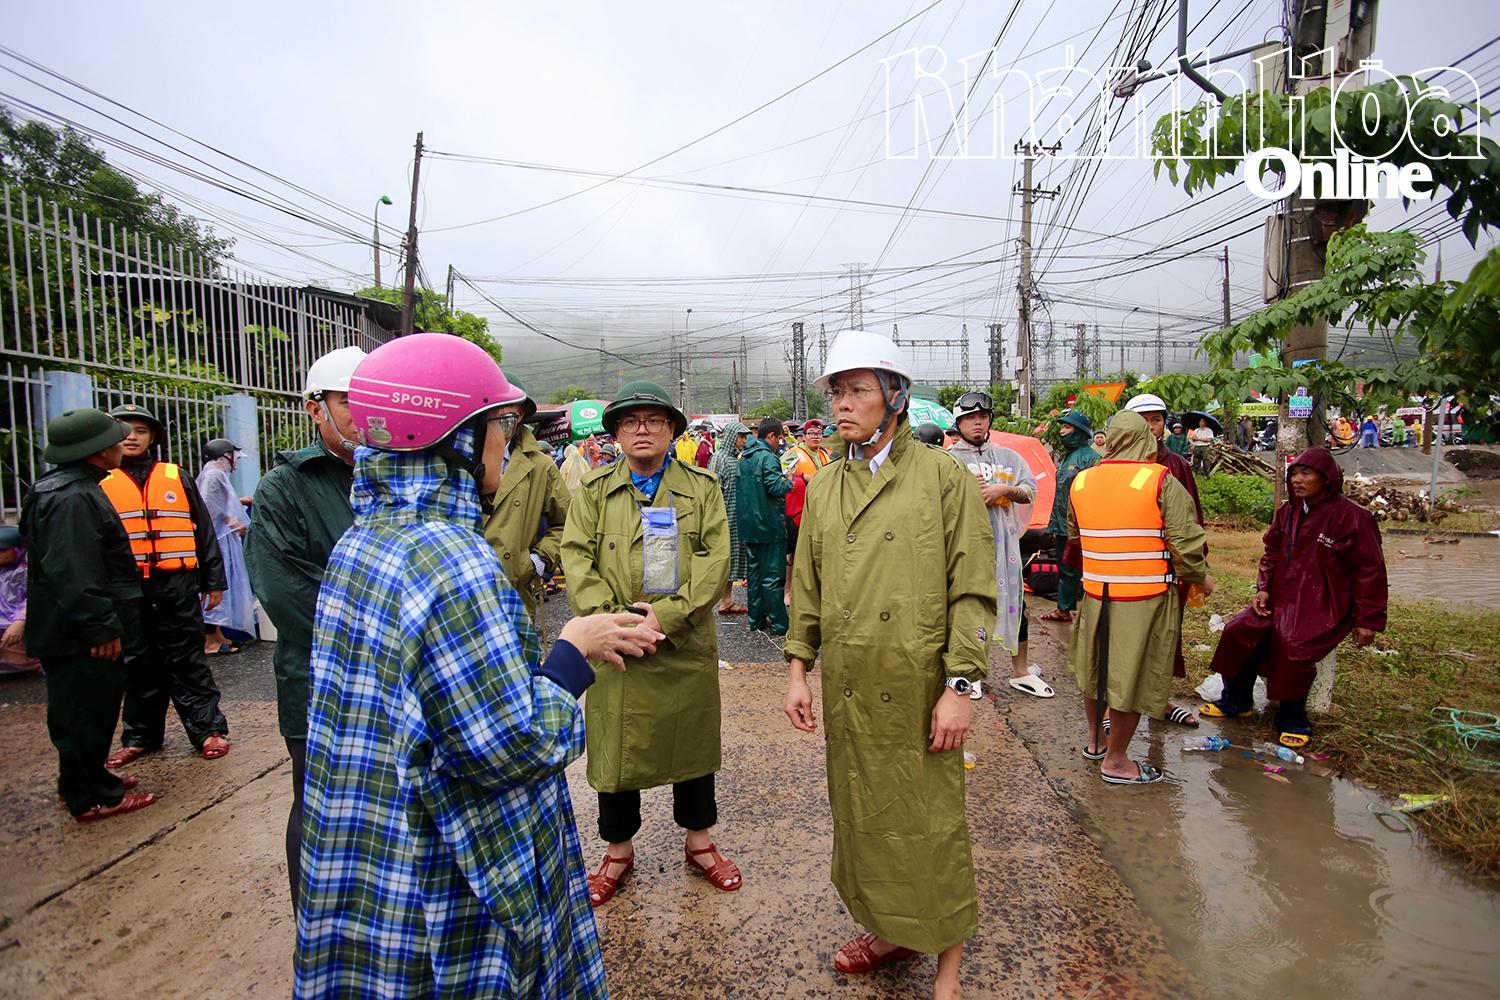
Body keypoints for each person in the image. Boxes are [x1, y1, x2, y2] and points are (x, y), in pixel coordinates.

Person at [296, 335, 660, 998]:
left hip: (384, 861)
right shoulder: (451, 560)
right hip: (452, 873)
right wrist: (572, 651)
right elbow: (516, 742)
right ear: (454, 436)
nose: (505, 441)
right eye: (499, 424)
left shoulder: (363, 540)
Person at [783, 331, 994, 1000]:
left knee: (931, 824)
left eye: (857, 391)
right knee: (865, 818)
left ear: (895, 398)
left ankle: (949, 967)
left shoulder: (944, 479)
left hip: (919, 688)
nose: (842, 405)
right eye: (836, 393)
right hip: (850, 689)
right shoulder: (825, 487)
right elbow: (807, 586)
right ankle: (888, 929)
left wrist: (961, 687)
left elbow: (974, 591)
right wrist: (797, 670)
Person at [561, 378, 737, 908]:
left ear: (672, 431)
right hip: (617, 644)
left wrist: (668, 615)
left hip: (682, 641)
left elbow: (716, 557)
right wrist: (612, 622)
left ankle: (699, 842)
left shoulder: (702, 487)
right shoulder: (594, 490)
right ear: (615, 433)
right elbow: (576, 556)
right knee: (616, 750)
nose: (642, 429)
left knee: (693, 745)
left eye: (654, 420)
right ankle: (617, 851)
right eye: (630, 421)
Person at [244, 344, 365, 910]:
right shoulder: (285, 487)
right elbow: (284, 591)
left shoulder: (400, 474)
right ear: (315, 409)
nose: (363, 415)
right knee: (318, 807)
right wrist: (380, 631)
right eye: (348, 402)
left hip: (397, 678)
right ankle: (315, 930)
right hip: (320, 680)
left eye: (373, 401)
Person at [21, 409, 157, 821]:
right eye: (116, 440)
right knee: (86, 712)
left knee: (82, 710)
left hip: (73, 626)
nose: (123, 444)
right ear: (97, 450)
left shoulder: (64, 487)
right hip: (81, 632)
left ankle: (82, 780)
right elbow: (73, 571)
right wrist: (100, 627)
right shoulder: (72, 498)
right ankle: (94, 796)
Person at [1202, 448, 1387, 749]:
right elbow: (1272, 551)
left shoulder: (1353, 518)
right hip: (1280, 597)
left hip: (1324, 604)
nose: (1297, 480)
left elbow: (1370, 570)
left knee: (1293, 645)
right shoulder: (1288, 512)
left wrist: (1367, 620)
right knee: (1238, 631)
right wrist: (1263, 588)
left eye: (1306, 473)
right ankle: (1236, 701)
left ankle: (1293, 718)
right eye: (1294, 474)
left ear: (1326, 479)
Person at [1065, 410, 1211, 784]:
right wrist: (1199, 578)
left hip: (1096, 594)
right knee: (1131, 676)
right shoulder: (1160, 479)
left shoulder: (1082, 481)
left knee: (1096, 671)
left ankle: (1096, 742)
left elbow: (1074, 537)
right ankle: (1117, 762)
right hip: (1145, 596)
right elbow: (1186, 543)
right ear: (1145, 439)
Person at [101, 403, 230, 766]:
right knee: (137, 662)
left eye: (140, 431)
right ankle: (140, 736)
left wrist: (213, 580)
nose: (131, 437)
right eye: (124, 431)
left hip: (176, 584)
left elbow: (204, 532)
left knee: (187, 659)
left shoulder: (176, 476)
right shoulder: (100, 481)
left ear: (153, 438)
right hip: (127, 588)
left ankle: (208, 729)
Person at [1122, 393, 1211, 728]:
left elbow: (1191, 519)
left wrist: (1196, 565)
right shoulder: (1113, 466)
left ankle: (1160, 699)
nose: (1150, 427)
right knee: (1122, 636)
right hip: (1126, 567)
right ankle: (1117, 704)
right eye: (1143, 420)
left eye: (1156, 420)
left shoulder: (1176, 466)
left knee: (1166, 633)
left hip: (1167, 566)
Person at [948, 390, 1043, 697]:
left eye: (982, 417)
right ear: (959, 423)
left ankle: (1020, 671)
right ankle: (969, 671)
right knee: (968, 608)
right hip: (966, 548)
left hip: (1005, 550)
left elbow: (1029, 491)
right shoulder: (948, 461)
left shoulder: (1009, 458)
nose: (977, 422)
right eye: (970, 418)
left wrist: (1005, 489)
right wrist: (967, 492)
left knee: (1016, 606)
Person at [480, 378, 570, 629]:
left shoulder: (540, 466)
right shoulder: (460, 456)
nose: (497, 414)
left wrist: (536, 562)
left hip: (515, 593)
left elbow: (567, 523)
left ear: (519, 414)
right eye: (490, 405)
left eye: (505, 406)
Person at [1040, 410, 1098, 626]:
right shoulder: (1068, 457)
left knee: (1083, 568)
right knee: (1065, 567)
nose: (1062, 431)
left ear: (1080, 431)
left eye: (1067, 427)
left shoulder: (1091, 458)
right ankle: (1064, 609)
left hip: (1081, 525)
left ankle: (1086, 611)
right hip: (1062, 523)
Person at [197, 438, 255, 655]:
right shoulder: (214, 474)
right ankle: (209, 641)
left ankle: (217, 634)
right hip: (217, 539)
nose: (236, 461)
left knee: (223, 585)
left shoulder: (214, 473)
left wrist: (239, 502)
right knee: (217, 584)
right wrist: (230, 520)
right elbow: (207, 504)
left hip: (220, 537)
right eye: (234, 456)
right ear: (225, 456)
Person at [739, 417, 795, 636]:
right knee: (772, 575)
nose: (780, 442)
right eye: (779, 438)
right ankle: (780, 623)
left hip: (749, 525)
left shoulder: (745, 457)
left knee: (754, 575)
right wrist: (788, 480)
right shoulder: (768, 458)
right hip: (769, 524)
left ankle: (756, 619)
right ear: (771, 435)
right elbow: (775, 487)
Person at [781, 418, 833, 607]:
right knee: (793, 553)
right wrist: (802, 477)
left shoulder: (827, 454)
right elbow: (782, 477)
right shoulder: (792, 454)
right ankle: (788, 590)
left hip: (822, 509)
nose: (816, 437)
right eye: (811, 433)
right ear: (803, 436)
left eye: (819, 433)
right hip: (797, 510)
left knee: (819, 550)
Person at [709, 422, 751, 615]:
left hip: (736, 517)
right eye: (740, 436)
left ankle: (727, 600)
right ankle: (715, 601)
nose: (743, 441)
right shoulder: (719, 458)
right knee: (723, 560)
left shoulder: (736, 458)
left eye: (745, 437)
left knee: (733, 560)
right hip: (725, 517)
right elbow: (713, 490)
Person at [0, 525, 41, 674]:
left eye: (2, 551)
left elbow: (36, 597)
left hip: (20, 627)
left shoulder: (27, 570)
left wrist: (20, 620)